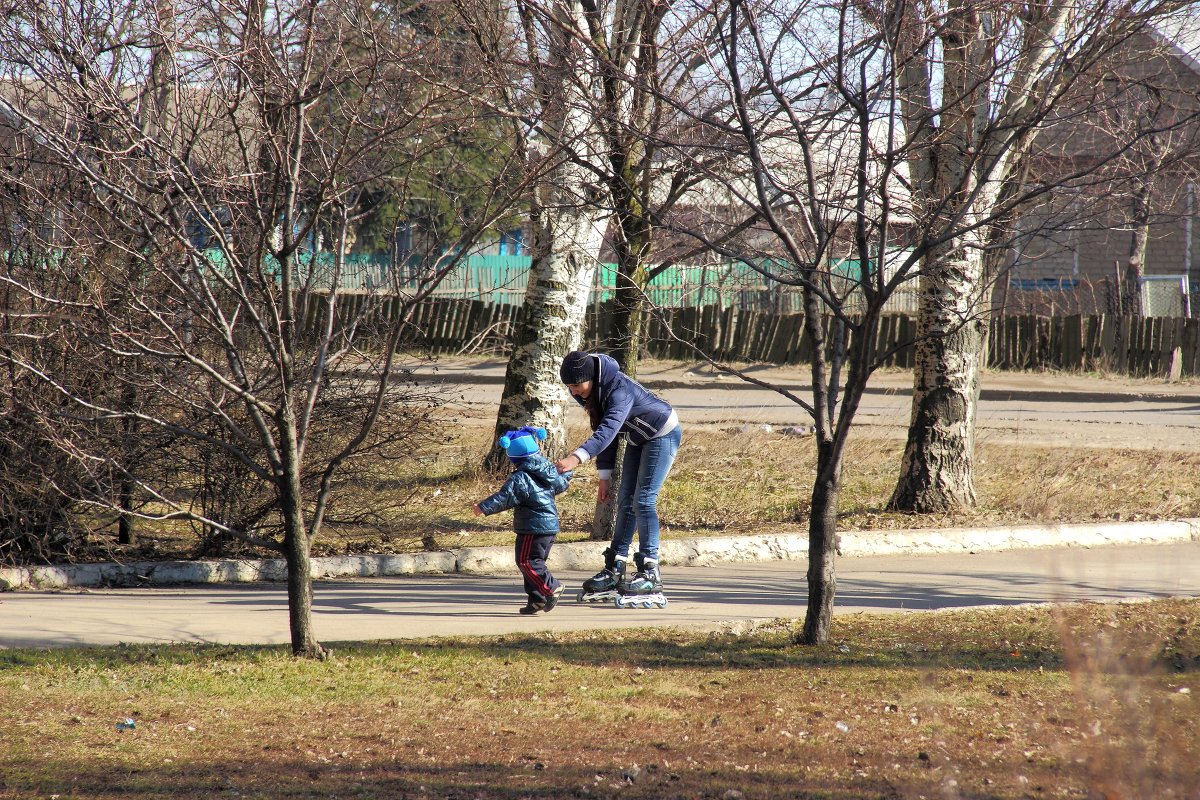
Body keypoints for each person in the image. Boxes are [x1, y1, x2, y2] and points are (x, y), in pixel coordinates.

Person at [555, 351, 681, 608]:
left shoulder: (618, 391)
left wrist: (575, 458)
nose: (574, 392)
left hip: (662, 433)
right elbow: (605, 432)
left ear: (590, 377)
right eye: (569, 387)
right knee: (625, 501)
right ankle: (615, 568)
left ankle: (650, 572)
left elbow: (607, 430)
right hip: (637, 437)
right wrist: (605, 476)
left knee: (643, 501)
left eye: (576, 386)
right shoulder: (588, 391)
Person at [473, 426, 573, 614]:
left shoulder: (521, 478)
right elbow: (561, 483)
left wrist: (483, 507)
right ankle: (538, 599)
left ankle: (551, 587)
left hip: (533, 527)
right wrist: (567, 473)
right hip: (548, 527)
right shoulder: (547, 471)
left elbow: (505, 497)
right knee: (534, 563)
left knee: (527, 562)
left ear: (514, 458)